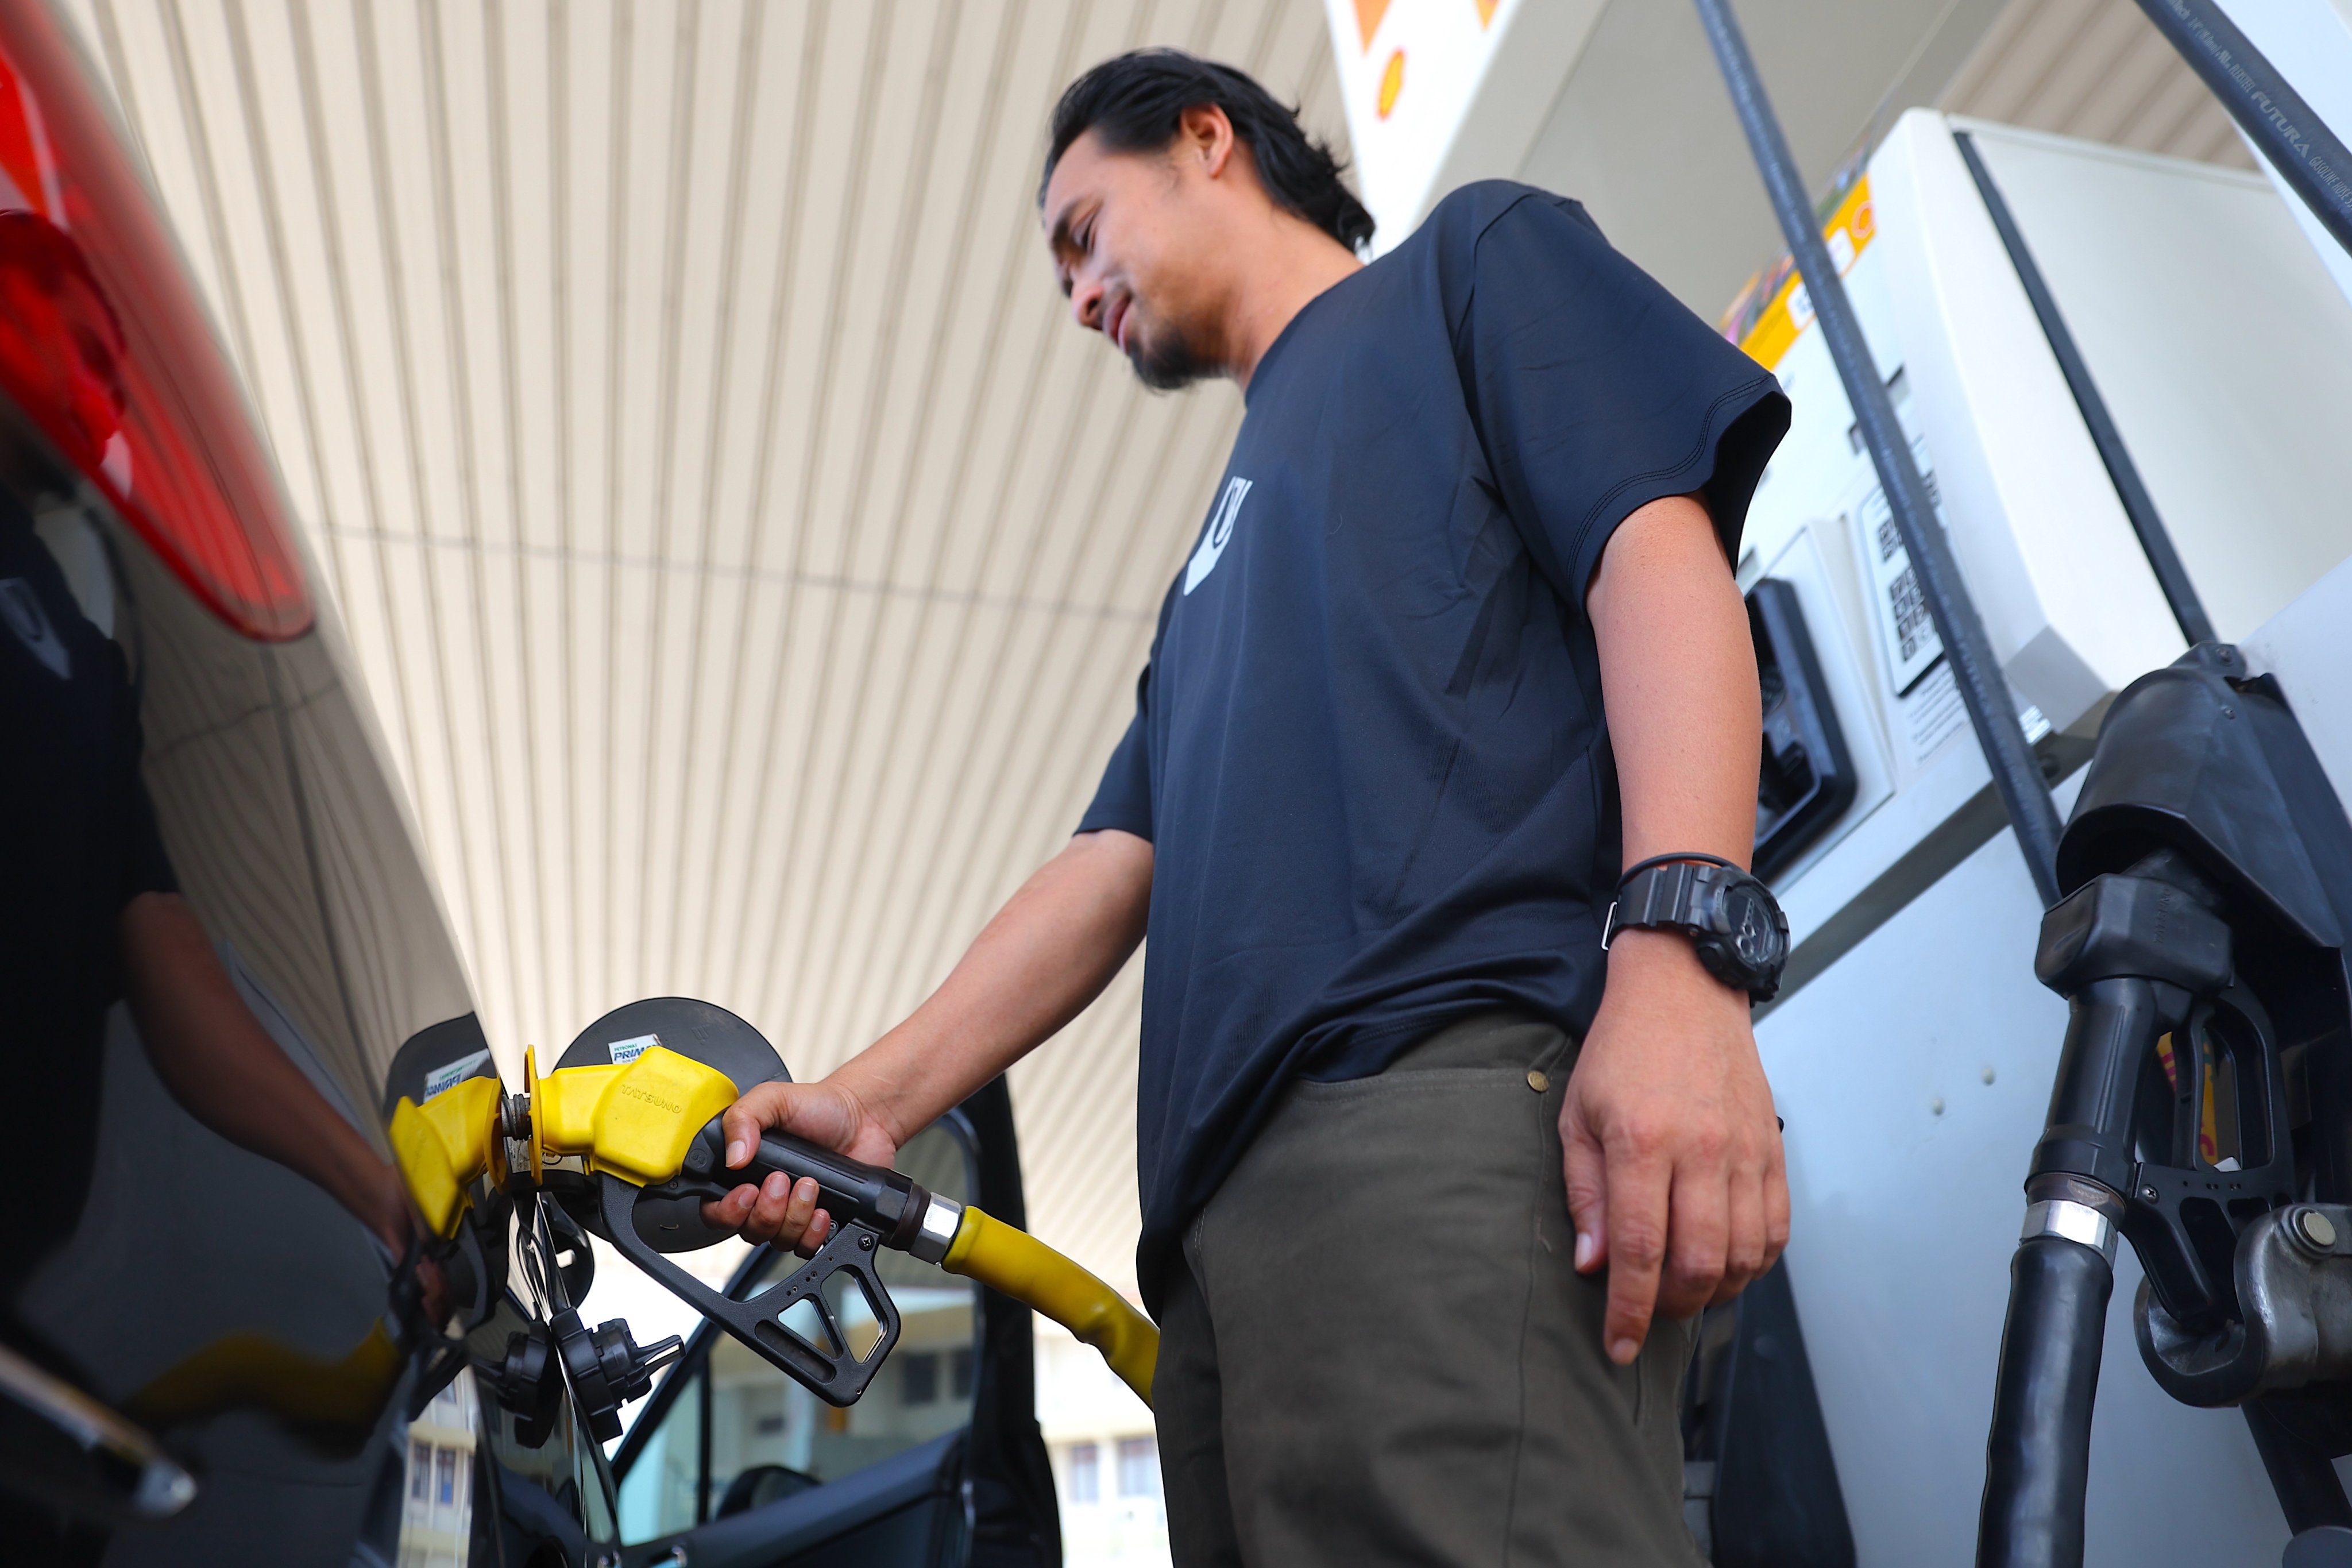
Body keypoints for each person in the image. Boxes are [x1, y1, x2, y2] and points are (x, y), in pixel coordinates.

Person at [706, 49, 1793, 1565]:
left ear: (1207, 138)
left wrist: (1683, 955)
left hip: (1432, 1129)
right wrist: (873, 1100)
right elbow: (1109, 860)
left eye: (1084, 231)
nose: (1079, 295)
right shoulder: (1210, 566)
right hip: (1220, 1253)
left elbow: (1657, 561)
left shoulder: (1467, 270)